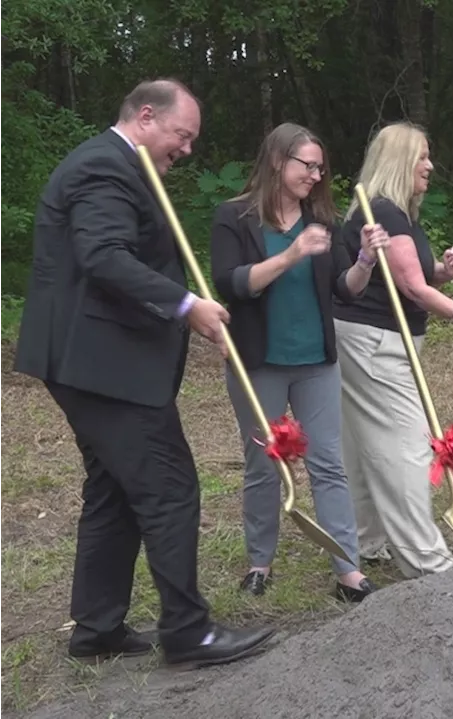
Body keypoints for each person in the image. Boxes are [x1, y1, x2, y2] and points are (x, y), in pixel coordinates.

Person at [13, 78, 275, 667]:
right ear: (146, 116)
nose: (186, 149)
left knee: (114, 489)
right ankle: (188, 632)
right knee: (169, 486)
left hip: (94, 362)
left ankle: (97, 628)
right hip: (102, 365)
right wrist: (186, 306)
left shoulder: (115, 166)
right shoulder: (104, 168)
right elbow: (104, 257)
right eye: (182, 135)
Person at [209, 122, 388, 602]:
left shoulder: (323, 221)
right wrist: (291, 254)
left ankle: (348, 571)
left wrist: (366, 261)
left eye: (320, 168)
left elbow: (342, 291)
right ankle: (259, 563)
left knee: (328, 463)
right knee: (263, 465)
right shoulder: (233, 218)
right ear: (276, 161)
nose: (315, 175)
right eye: (306, 165)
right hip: (259, 361)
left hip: (317, 362)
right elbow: (232, 284)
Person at [332, 120, 453, 578]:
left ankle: (366, 540)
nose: (430, 165)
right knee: (405, 446)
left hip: (370, 340)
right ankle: (426, 561)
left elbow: (419, 274)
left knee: (366, 444)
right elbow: (411, 286)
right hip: (375, 343)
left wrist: (444, 270)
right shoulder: (383, 212)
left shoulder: (396, 214)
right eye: (422, 157)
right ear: (400, 162)